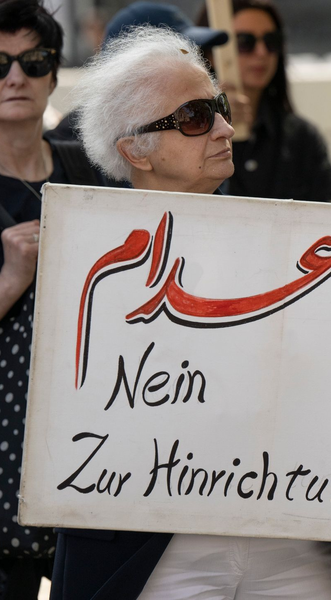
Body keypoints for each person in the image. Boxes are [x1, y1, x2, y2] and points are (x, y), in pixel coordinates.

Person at [51, 26, 331, 600]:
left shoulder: (292, 246)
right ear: (135, 148)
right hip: (153, 549)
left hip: (300, 539)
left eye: (220, 108)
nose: (227, 128)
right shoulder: (84, 264)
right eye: (195, 117)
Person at [0, 1, 102, 597]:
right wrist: (13, 276)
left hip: (85, 442)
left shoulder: (86, 170)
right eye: (0, 64)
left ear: (54, 73)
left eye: (33, 61)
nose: (15, 77)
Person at [197, 0, 331, 202]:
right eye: (245, 42)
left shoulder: (301, 137)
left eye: (271, 41)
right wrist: (209, 120)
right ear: (211, 54)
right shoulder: (191, 132)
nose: (262, 52)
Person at [46, 1, 230, 144]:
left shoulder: (220, 122)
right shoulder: (71, 146)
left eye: (202, 55)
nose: (203, 68)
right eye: (184, 56)